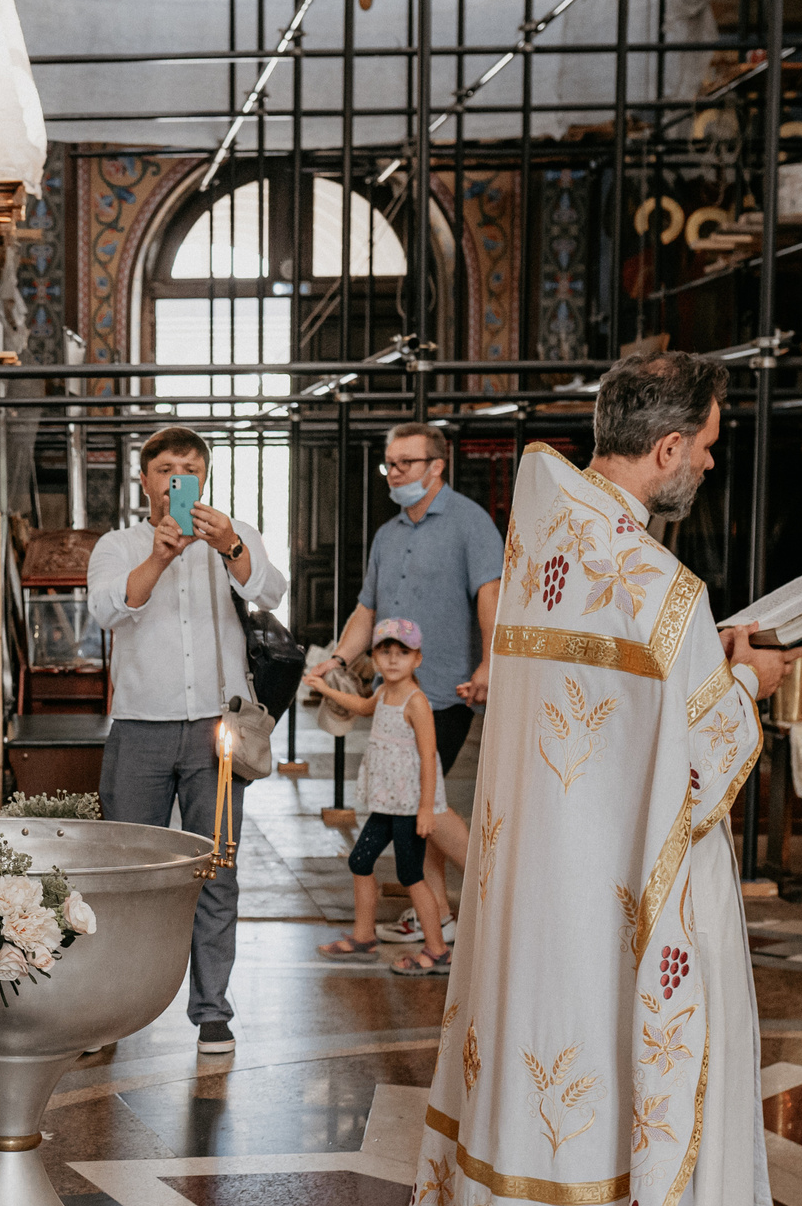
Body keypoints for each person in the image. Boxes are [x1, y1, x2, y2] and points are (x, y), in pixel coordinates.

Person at [404, 351, 801, 1206]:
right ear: (666, 448)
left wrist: (703, 661)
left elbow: (628, 702)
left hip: (543, 883)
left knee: (545, 1044)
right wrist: (748, 679)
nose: (709, 465)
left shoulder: (554, 534)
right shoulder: (655, 585)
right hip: (623, 891)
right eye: (707, 448)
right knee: (639, 1055)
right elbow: (705, 749)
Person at [86, 425, 285, 1055]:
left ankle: (212, 1011)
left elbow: (271, 591)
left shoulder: (230, 536)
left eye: (190, 469)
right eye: (166, 468)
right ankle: (108, 1010)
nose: (177, 478)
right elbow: (108, 610)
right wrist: (160, 556)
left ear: (204, 479)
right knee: (125, 871)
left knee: (216, 868)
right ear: (144, 478)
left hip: (215, 731)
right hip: (140, 728)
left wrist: (227, 546)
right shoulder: (118, 544)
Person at [305, 421, 506, 945]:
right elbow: (368, 608)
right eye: (388, 464)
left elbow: (491, 596)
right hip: (392, 692)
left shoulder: (470, 523)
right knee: (417, 808)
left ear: (437, 466)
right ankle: (435, 914)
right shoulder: (388, 534)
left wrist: (489, 665)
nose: (393, 473)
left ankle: (504, 896)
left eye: (404, 464)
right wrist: (338, 657)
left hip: (444, 690)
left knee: (430, 807)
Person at [314, 620, 451, 976]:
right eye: (385, 652)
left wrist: (426, 809)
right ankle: (364, 938)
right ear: (374, 658)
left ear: (417, 659)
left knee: (410, 874)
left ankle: (437, 949)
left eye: (402, 653)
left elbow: (428, 755)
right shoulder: (383, 693)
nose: (392, 660)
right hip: (386, 803)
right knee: (360, 861)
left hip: (408, 806)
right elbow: (361, 707)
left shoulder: (416, 702)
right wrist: (323, 689)